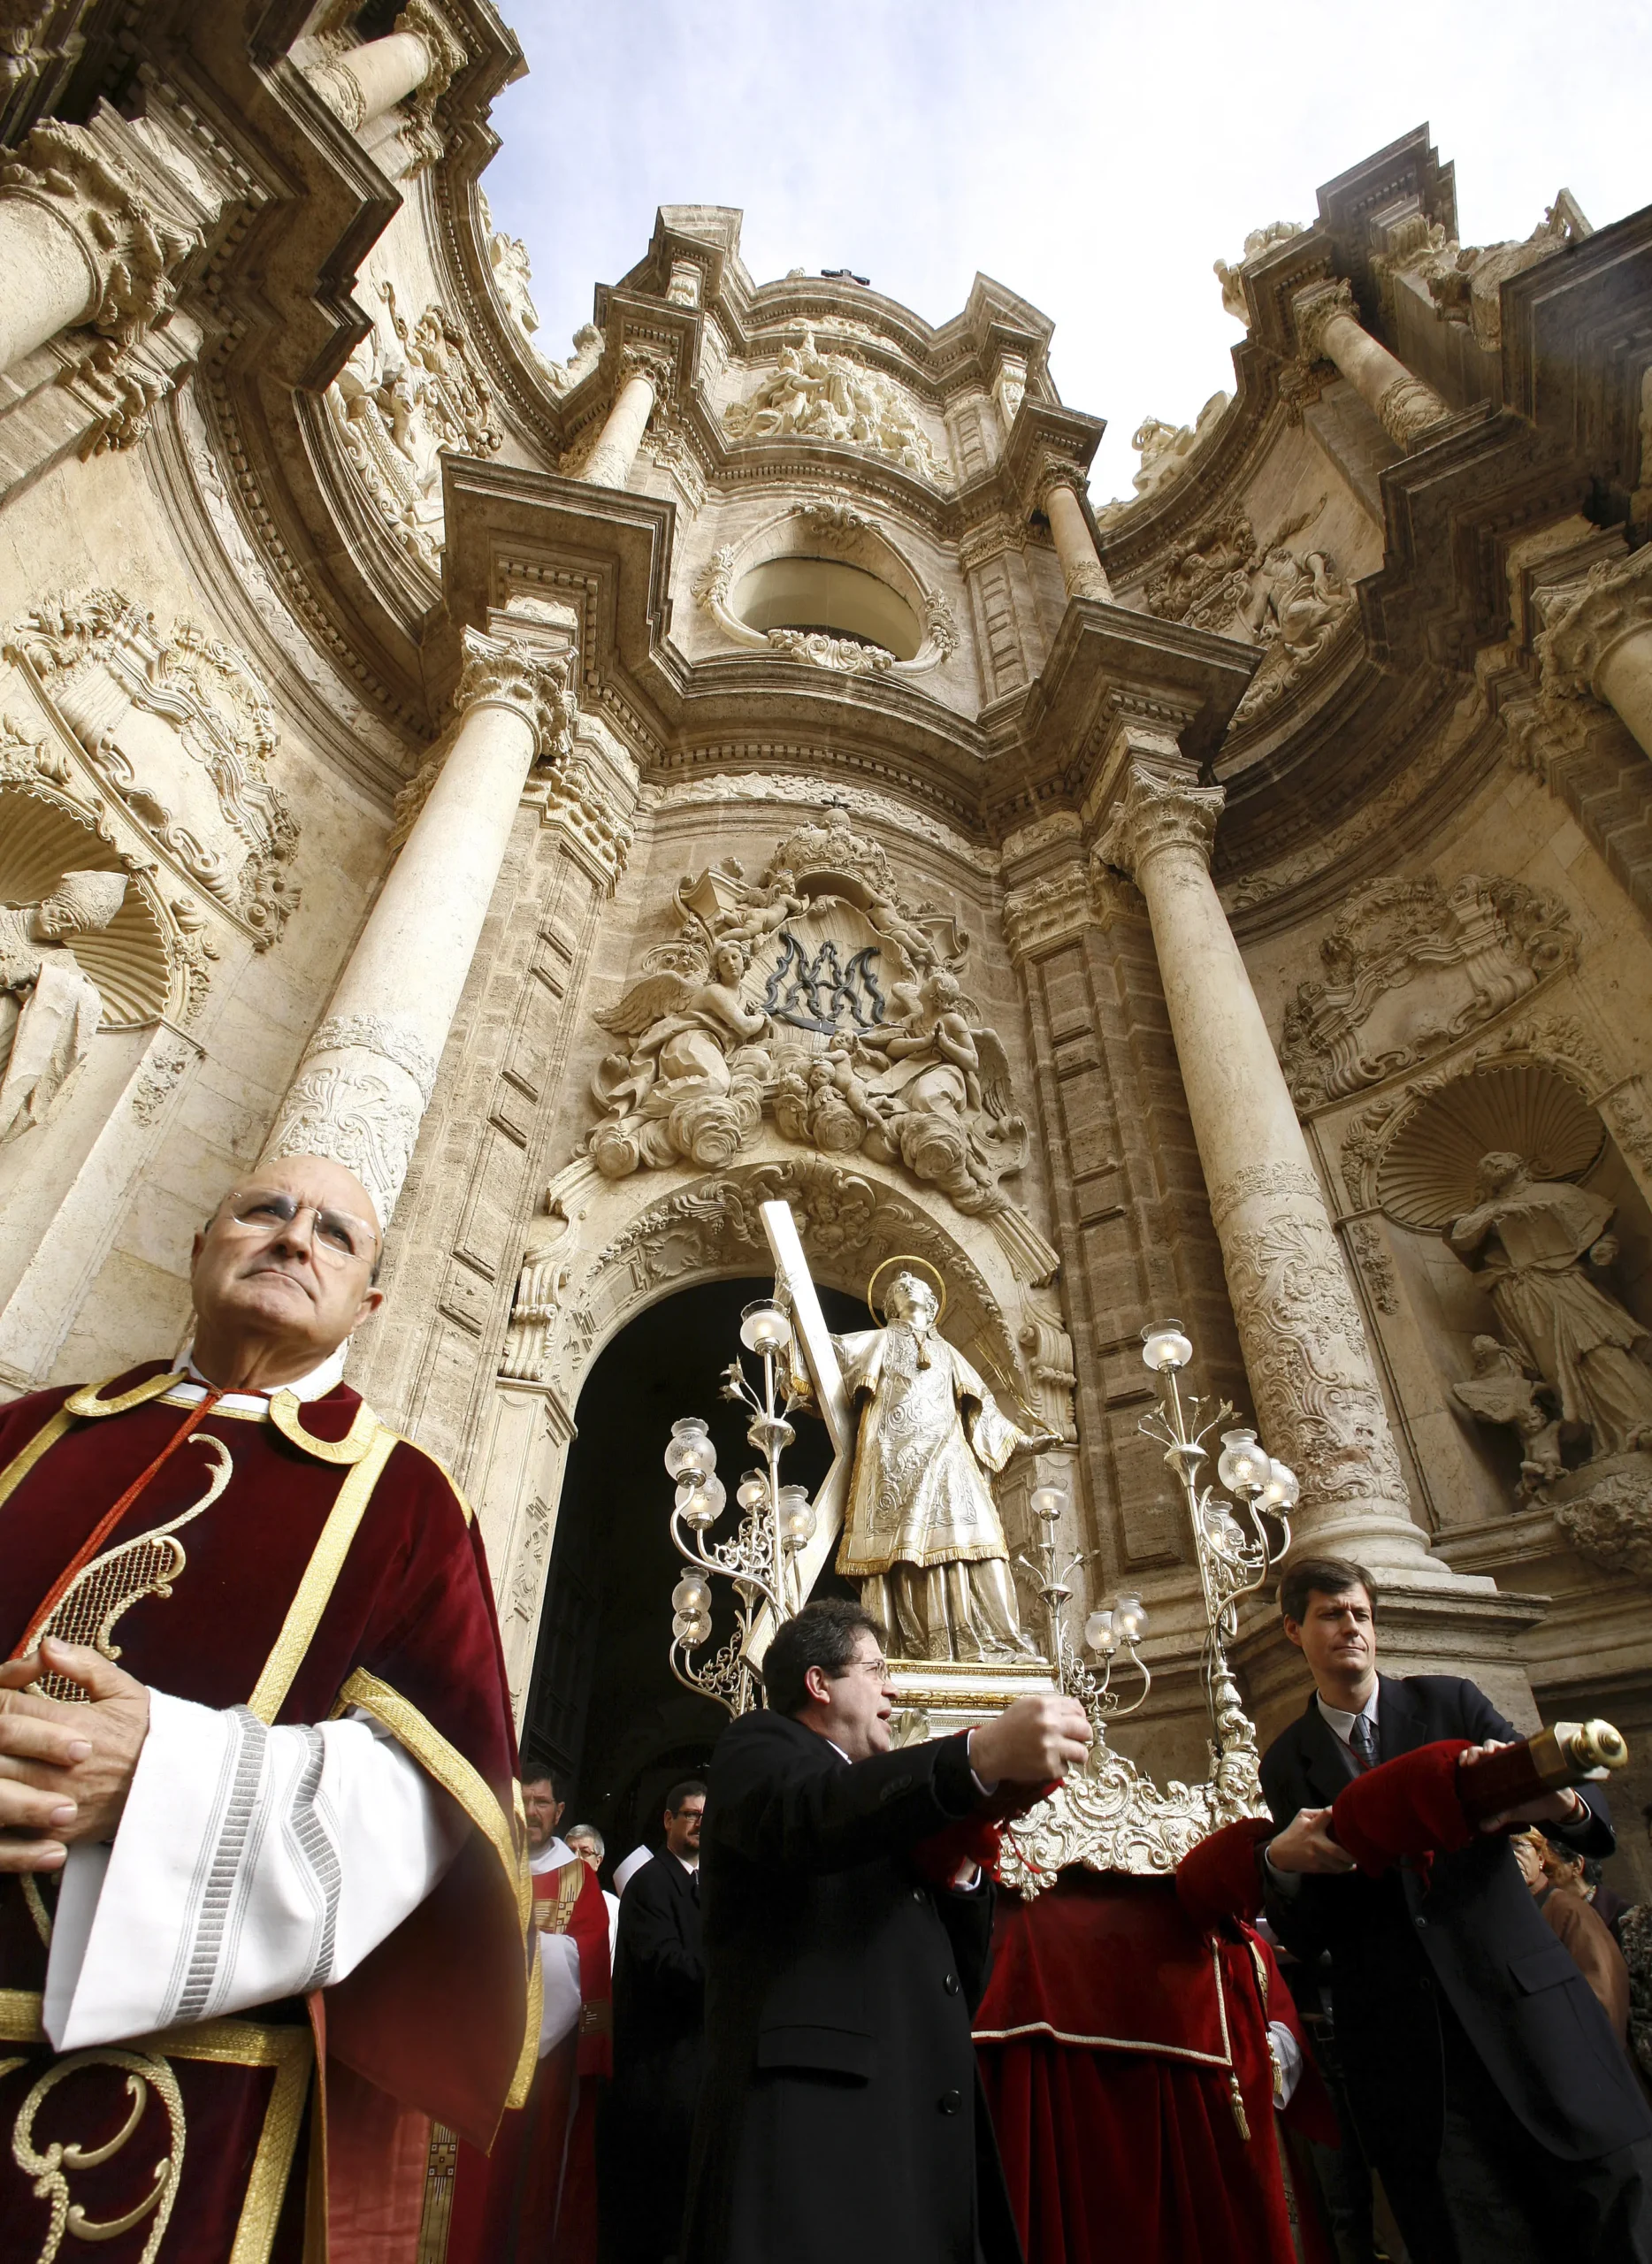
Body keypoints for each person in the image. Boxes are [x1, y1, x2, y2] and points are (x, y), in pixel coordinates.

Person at [0, 1157, 531, 2254]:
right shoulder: (27, 1435)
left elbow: (438, 1807)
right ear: (200, 1246)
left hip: (170, 2080)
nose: (297, 1239)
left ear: (368, 1305)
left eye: (337, 1235)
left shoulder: (407, 1502)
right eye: (267, 1210)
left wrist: (162, 1780)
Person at [1261, 1555, 1652, 2261]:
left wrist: (1554, 1799)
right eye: (1331, 1614)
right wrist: (1279, 1868)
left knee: (1611, 2218)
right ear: (1294, 1630)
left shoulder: (1451, 1702)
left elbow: (1588, 1813)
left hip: (1528, 2021)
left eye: (1361, 1615)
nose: (1351, 1628)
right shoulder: (1287, 1762)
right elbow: (1310, 1929)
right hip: (1413, 2062)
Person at [681, 1596, 1092, 2264]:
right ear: (819, 1683)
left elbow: (958, 1978)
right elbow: (812, 1815)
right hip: (814, 2132)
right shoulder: (761, 1744)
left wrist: (962, 1864)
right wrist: (975, 1757)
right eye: (875, 1670)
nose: (893, 1687)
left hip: (910, 2121)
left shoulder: (885, 1800)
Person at [450, 1769, 611, 2263]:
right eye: (523, 1801)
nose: (532, 1812)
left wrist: (591, 2052)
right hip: (471, 2053)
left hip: (547, 2066)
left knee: (528, 2184)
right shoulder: (482, 1858)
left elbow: (592, 1967)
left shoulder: (576, 1879)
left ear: (559, 1813)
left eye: (542, 1803)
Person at [604, 1780, 708, 2261]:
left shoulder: (715, 1883)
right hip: (658, 2069)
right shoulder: (650, 1884)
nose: (699, 1825)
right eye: (690, 1815)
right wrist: (734, 1974)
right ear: (668, 1820)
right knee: (650, 2212)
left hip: (698, 2067)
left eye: (707, 1817)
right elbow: (664, 1966)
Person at [1512, 1830, 1631, 2044]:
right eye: (1503, 1851)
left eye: (1518, 1846)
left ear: (1540, 1857)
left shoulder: (1568, 1911)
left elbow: (1603, 2003)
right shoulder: (1510, 1914)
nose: (1511, 1856)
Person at [1539, 1835, 1629, 1936]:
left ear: (1577, 1865)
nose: (1543, 1879)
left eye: (1549, 1871)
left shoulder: (1625, 1919)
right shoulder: (1548, 1919)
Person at [567, 1821, 621, 1956]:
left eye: (585, 1852)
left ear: (598, 1861)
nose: (575, 1858)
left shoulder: (612, 1906)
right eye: (570, 1850)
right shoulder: (549, 1899)